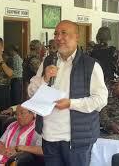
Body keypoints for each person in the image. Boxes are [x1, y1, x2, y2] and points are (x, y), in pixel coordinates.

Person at [28, 20, 108, 166]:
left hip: (77, 139)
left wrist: (71, 103)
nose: (59, 38)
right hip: (49, 136)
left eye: (64, 33)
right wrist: (44, 79)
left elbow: (100, 100)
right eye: (56, 34)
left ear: (77, 37)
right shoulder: (47, 61)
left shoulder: (90, 65)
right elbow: (31, 92)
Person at [89, 26, 119, 140]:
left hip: (92, 86)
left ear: (97, 37)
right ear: (109, 37)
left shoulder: (90, 51)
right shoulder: (114, 52)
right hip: (108, 86)